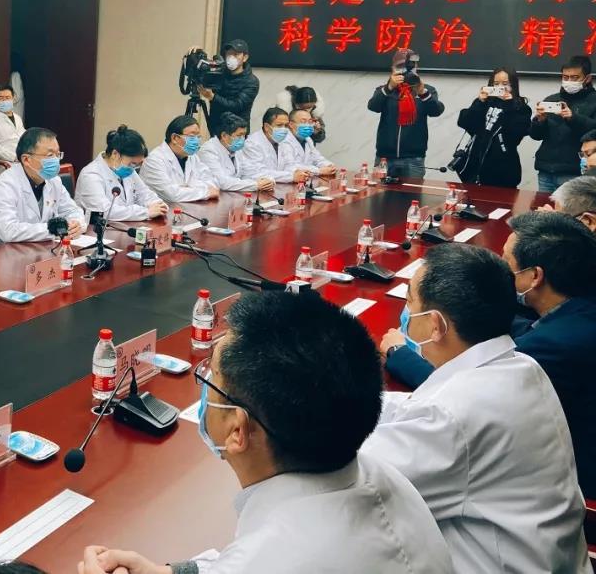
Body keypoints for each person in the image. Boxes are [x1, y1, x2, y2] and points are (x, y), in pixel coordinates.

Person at [83, 292, 453, 573]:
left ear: (237, 429)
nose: (206, 385)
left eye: (211, 376)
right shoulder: (385, 478)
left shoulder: (270, 558)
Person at [362, 244, 589, 573]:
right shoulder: (520, 366)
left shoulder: (457, 414)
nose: (406, 311)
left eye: (410, 301)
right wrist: (354, 402)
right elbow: (419, 406)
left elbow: (362, 478)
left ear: (436, 325)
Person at [379, 213, 596, 495]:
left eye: (507, 262)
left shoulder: (544, 350)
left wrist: (399, 353)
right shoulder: (575, 312)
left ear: (535, 276)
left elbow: (376, 471)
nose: (502, 269)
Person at [0, 127, 85, 246]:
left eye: (58, 154)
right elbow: (9, 231)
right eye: (50, 155)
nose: (56, 160)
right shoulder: (6, 184)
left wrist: (76, 224)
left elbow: (72, 210)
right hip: (2, 251)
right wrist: (55, 229)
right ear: (26, 159)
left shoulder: (54, 181)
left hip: (40, 247)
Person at [368, 49, 445, 179]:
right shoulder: (385, 90)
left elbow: (436, 111)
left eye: (410, 66)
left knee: (412, 191)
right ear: (392, 68)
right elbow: (373, 106)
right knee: (380, 191)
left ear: (416, 67)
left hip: (414, 158)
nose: (405, 70)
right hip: (385, 157)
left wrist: (422, 92)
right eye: (400, 66)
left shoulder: (426, 90)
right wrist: (389, 87)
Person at [454, 68, 532, 188]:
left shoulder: (520, 108)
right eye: (496, 84)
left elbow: (516, 134)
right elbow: (464, 122)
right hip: (476, 165)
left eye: (505, 84)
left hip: (502, 169)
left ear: (513, 85)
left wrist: (509, 105)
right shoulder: (485, 102)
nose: (500, 87)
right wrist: (480, 102)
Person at [75, 125, 167, 222]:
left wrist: (158, 204)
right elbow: (105, 211)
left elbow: (144, 193)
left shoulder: (127, 169)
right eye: (132, 163)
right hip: (98, 228)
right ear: (115, 154)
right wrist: (146, 212)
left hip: (125, 225)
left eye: (137, 165)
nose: (133, 168)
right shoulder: (91, 175)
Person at [532, 56, 596, 192]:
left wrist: (572, 118)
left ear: (587, 79)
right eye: (565, 77)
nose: (569, 81)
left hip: (575, 173)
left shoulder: (593, 101)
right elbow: (535, 135)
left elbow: (593, 130)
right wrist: (540, 121)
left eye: (574, 77)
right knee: (543, 205)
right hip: (546, 170)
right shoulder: (552, 99)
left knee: (570, 206)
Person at [140, 115, 219, 203]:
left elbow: (212, 183)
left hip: (188, 206)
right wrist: (205, 192)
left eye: (198, 136)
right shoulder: (155, 160)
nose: (196, 140)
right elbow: (172, 194)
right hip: (163, 208)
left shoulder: (192, 156)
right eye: (192, 136)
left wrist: (186, 189)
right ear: (174, 138)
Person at [197, 112, 272, 192]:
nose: (243, 139)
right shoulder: (208, 150)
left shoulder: (235, 148)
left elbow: (248, 170)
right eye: (239, 135)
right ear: (224, 135)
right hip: (215, 195)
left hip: (232, 194)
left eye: (244, 135)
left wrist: (266, 180)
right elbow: (222, 182)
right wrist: (255, 185)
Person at [197, 39, 259, 133]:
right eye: (229, 54)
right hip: (217, 127)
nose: (231, 58)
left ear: (245, 57)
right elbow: (205, 67)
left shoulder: (251, 81)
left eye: (236, 54)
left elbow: (237, 106)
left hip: (237, 131)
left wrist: (212, 97)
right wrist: (197, 54)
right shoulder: (220, 72)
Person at [242, 108, 312, 184]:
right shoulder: (252, 143)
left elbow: (289, 163)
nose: (284, 129)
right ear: (266, 127)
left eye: (286, 125)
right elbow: (259, 172)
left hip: (278, 185)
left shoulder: (282, 140)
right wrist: (291, 176)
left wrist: (298, 171)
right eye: (279, 125)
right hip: (257, 187)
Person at [280, 109, 337, 179]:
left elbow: (317, 158)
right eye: (303, 122)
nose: (307, 125)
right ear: (291, 124)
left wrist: (329, 166)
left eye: (310, 122)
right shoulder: (284, 140)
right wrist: (318, 171)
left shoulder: (308, 139)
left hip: (306, 179)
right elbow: (290, 166)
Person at [10, 52, 26, 121]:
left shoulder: (15, 75)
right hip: (17, 108)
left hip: (16, 109)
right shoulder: (16, 74)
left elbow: (17, 96)